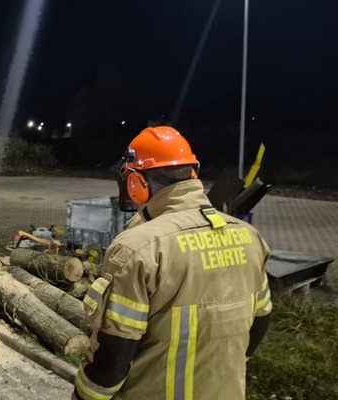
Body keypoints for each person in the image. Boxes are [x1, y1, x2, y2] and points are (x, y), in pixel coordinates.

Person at [73, 126, 272, 400]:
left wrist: (83, 397)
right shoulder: (250, 237)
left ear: (136, 183)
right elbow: (259, 323)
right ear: (192, 173)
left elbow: (114, 354)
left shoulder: (138, 249)